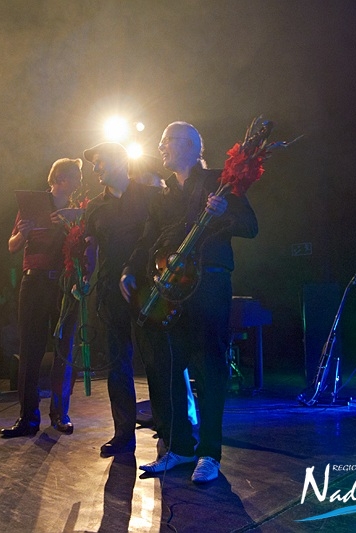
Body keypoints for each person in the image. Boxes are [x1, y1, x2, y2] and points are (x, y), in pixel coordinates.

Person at [120, 122, 258, 483]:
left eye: (167, 140)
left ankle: (209, 453)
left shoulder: (219, 181)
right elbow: (148, 239)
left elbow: (250, 225)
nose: (160, 147)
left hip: (209, 284)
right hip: (171, 289)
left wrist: (225, 212)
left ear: (191, 146)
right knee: (166, 365)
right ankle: (179, 446)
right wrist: (129, 270)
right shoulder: (162, 196)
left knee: (209, 368)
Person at [81, 142, 160, 457]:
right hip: (110, 291)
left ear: (118, 161)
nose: (95, 168)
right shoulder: (94, 207)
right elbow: (90, 248)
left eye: (100, 162)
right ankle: (123, 434)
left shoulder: (150, 196)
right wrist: (84, 277)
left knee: (155, 358)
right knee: (117, 363)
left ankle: (167, 428)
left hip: (147, 288)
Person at [2, 158, 83, 438]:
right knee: (30, 350)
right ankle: (28, 417)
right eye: (75, 176)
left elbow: (85, 246)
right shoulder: (32, 206)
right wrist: (23, 233)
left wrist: (72, 223)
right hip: (35, 281)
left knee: (64, 349)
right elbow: (12, 246)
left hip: (64, 283)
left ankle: (60, 414)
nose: (79, 182)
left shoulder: (77, 209)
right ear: (59, 178)